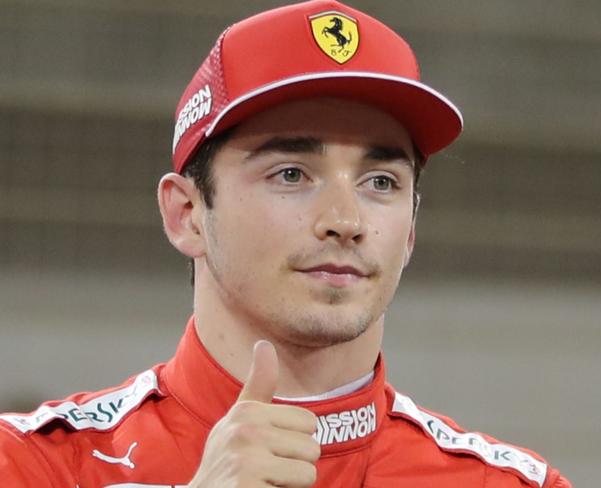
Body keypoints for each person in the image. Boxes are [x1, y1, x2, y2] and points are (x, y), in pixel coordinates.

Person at [0, 1, 571, 487]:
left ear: (412, 229)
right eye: (291, 174)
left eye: (381, 182)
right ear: (187, 214)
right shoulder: (36, 465)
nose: (346, 221)